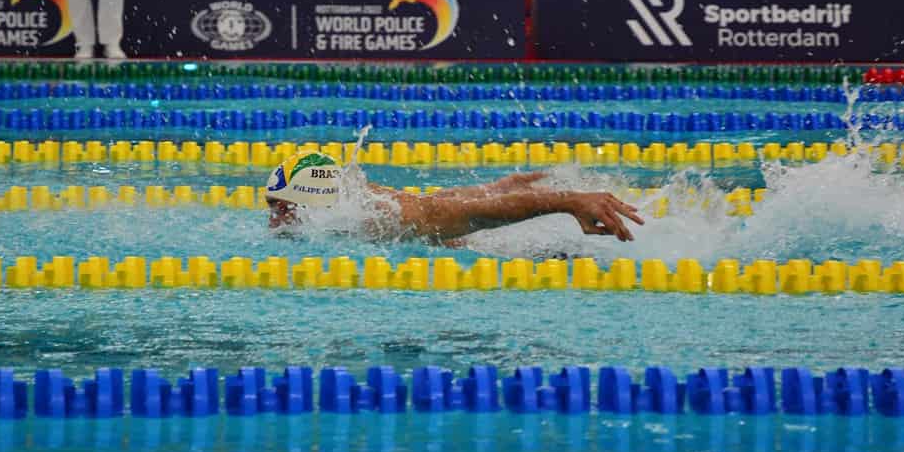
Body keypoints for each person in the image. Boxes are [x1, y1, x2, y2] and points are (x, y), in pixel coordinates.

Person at [265, 151, 644, 244]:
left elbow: (467, 215)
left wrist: (569, 201)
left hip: (520, 258)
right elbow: (438, 202)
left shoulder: (375, 217)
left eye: (279, 207)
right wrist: (493, 189)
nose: (274, 220)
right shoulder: (360, 203)